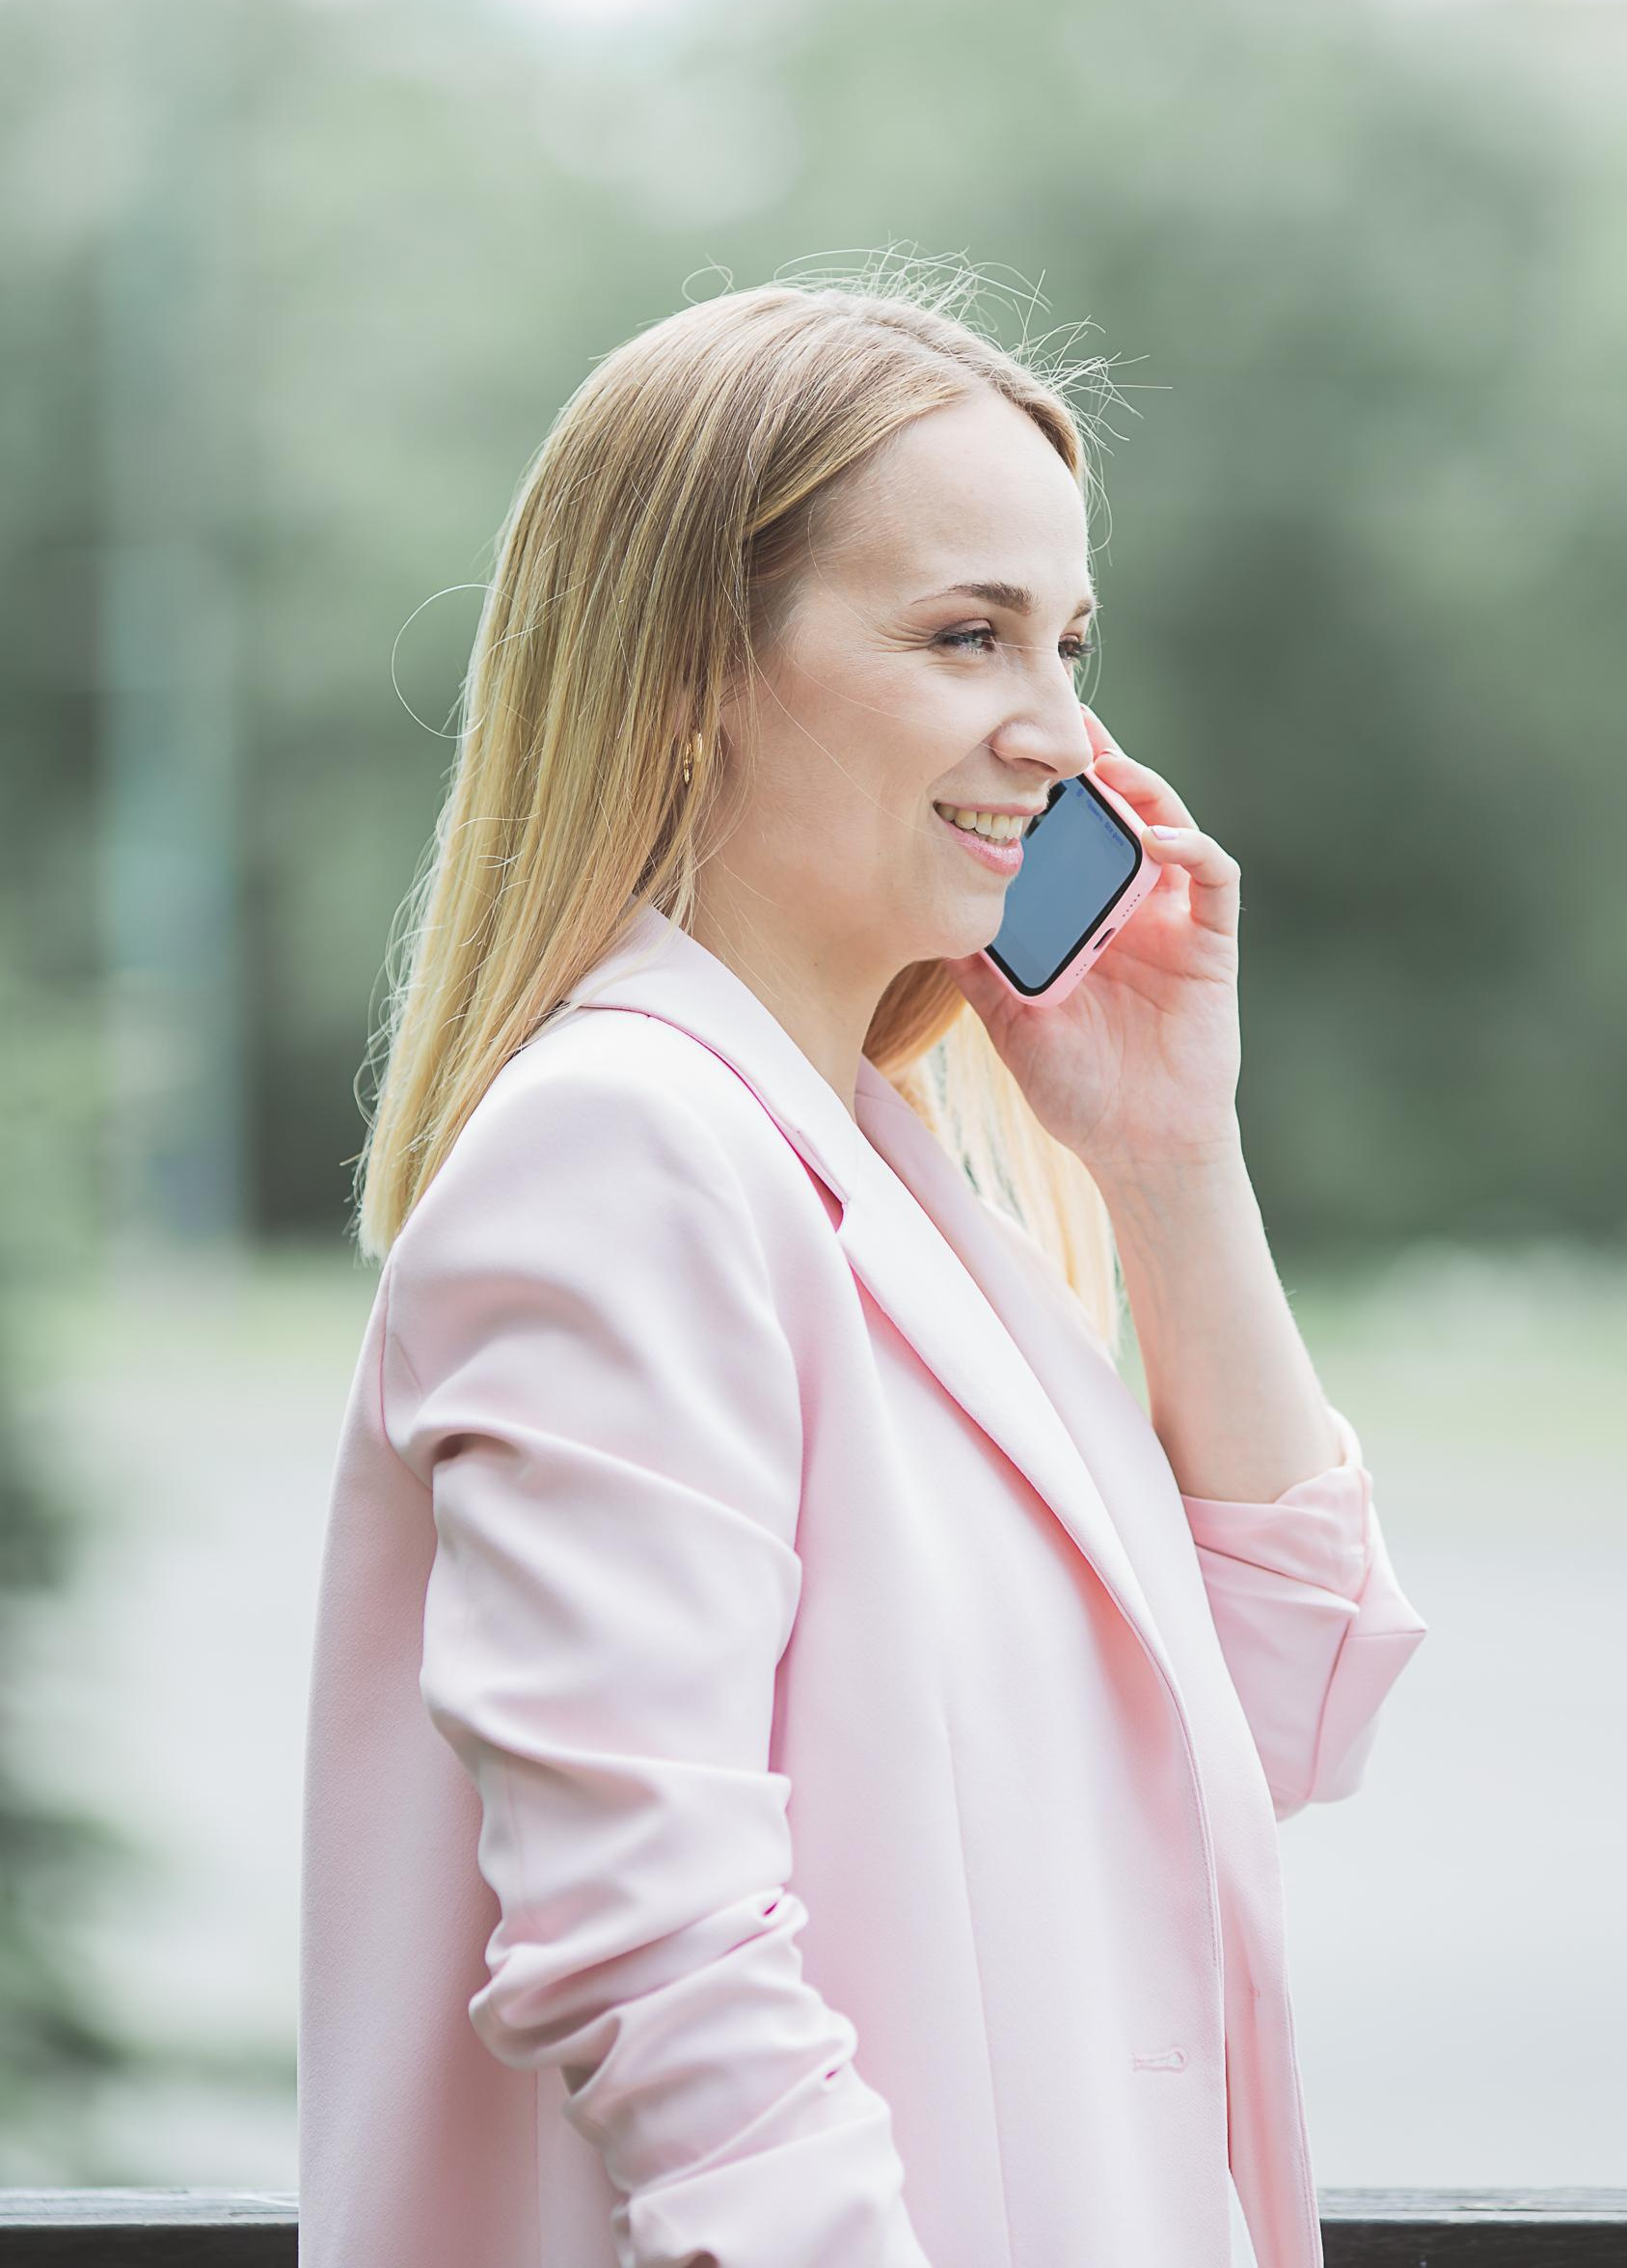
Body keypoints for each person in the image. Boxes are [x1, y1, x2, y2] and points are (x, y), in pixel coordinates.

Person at [299, 269, 1429, 2268]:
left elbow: (1283, 1719)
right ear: (690, 673)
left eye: (1070, 641)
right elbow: (655, 1953)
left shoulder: (896, 1185)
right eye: (961, 634)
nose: (1056, 732)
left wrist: (1169, 1162)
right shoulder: (623, 1157)